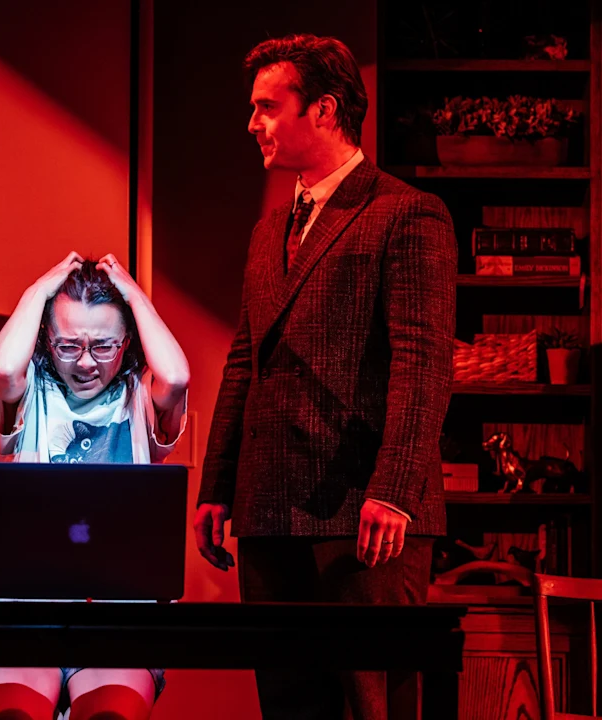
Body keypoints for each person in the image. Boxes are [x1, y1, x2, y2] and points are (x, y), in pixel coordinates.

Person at [194, 34, 457, 720]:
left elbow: (423, 361)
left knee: (372, 705)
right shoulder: (267, 231)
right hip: (270, 506)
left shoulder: (405, 213)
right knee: (288, 705)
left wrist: (395, 491)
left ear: (325, 109)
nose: (253, 123)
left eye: (267, 107)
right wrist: (217, 486)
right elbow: (246, 361)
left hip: (363, 510)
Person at [0, 253, 189, 720]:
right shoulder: (30, 392)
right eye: (69, 345)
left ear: (126, 342)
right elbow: (3, 369)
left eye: (104, 346)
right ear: (46, 342)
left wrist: (134, 294)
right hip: (25, 613)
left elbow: (176, 376)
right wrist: (40, 289)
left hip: (118, 618)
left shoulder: (139, 397)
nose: (87, 362)